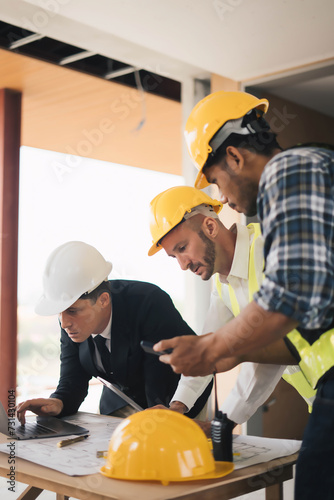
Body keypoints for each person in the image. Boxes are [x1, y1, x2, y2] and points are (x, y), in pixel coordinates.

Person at [153, 91, 334, 499]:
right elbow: (292, 339)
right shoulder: (227, 283)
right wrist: (188, 400)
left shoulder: (290, 170)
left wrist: (219, 350)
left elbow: (290, 295)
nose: (221, 197)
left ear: (234, 157)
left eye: (216, 180)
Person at [148, 185, 315, 435]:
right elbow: (207, 345)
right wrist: (178, 406)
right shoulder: (223, 283)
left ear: (211, 227)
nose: (183, 265)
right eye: (174, 257)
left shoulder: (267, 252)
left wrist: (222, 424)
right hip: (321, 398)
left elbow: (265, 359)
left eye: (182, 248)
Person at [16, 241, 211, 424]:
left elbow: (158, 382)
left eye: (73, 311)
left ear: (103, 300)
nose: (65, 323)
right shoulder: (70, 319)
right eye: (60, 313)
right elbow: (72, 378)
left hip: (177, 400)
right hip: (120, 400)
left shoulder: (149, 304)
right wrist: (58, 402)